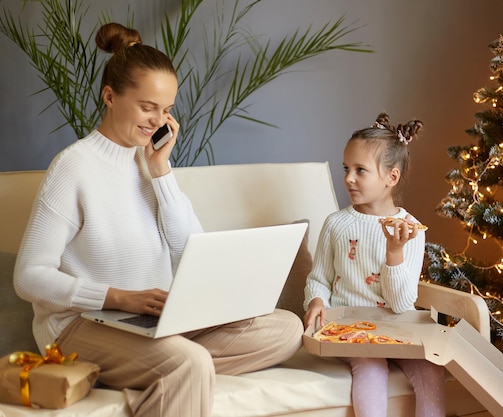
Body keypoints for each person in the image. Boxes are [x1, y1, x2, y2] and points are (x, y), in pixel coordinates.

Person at [13, 22, 303, 417]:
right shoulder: (73, 167)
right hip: (80, 326)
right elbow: (29, 276)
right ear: (110, 96)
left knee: (286, 330)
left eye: (165, 110)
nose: (157, 120)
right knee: (190, 362)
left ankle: (160, 370)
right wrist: (117, 297)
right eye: (147, 107)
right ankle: (172, 369)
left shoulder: (151, 164)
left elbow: (190, 250)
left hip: (153, 321)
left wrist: (162, 171)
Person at [303, 112, 446, 417]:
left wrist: (394, 252)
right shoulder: (336, 224)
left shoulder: (411, 230)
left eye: (360, 170)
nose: (348, 178)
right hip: (348, 328)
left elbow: (402, 303)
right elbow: (319, 277)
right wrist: (316, 300)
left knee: (430, 367)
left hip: (397, 328)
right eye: (346, 168)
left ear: (390, 177)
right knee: (371, 366)